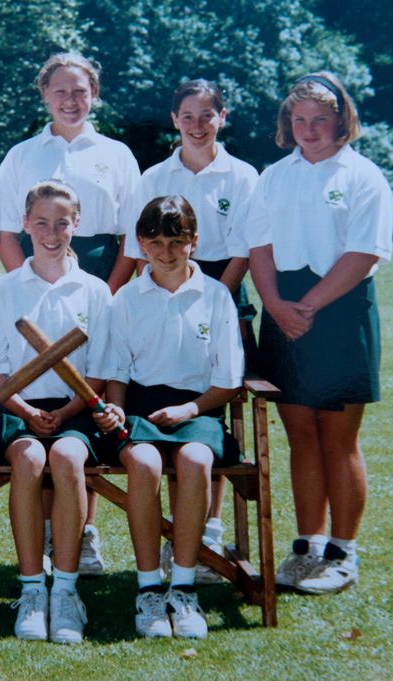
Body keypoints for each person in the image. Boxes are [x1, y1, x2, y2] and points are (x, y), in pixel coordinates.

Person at [245, 72, 393, 594]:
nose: (309, 130)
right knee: (301, 436)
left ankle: (343, 554)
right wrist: (274, 306)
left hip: (339, 311)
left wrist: (306, 306)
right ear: (288, 123)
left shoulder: (364, 176)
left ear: (341, 120)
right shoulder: (273, 176)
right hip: (283, 311)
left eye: (320, 120)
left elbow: (364, 253)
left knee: (338, 438)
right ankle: (307, 548)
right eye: (299, 120)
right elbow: (259, 247)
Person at [0, 51, 140, 574]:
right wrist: (30, 288)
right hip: (34, 275)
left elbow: (130, 239)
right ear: (44, 95)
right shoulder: (22, 155)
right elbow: (5, 233)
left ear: (94, 94)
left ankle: (83, 532)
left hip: (98, 275)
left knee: (82, 392)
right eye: (60, 90)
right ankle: (44, 535)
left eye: (80, 90)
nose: (70, 100)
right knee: (41, 398)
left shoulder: (117, 154)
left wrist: (103, 293)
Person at [121, 79, 259, 584]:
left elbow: (244, 248)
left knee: (209, 404)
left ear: (223, 117)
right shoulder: (154, 176)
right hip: (163, 281)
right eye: (188, 116)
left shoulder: (243, 175)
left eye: (207, 115)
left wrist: (208, 294)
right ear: (174, 120)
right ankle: (173, 544)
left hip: (220, 282)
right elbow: (143, 249)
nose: (197, 125)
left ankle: (208, 532)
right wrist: (164, 293)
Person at [95, 195, 244, 639]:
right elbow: (116, 370)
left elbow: (229, 379)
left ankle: (183, 587)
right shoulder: (126, 299)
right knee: (144, 464)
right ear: (140, 244)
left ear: (194, 242)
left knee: (196, 461)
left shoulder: (216, 296)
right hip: (140, 409)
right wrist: (116, 407)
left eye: (177, 241)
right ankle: (148, 589)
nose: (166, 252)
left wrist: (190, 409)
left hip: (198, 407)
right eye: (155, 242)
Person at [0, 180, 112, 644]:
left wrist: (71, 409)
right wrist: (24, 410)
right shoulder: (4, 290)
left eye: (62, 223)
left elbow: (99, 371)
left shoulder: (96, 291)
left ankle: (66, 592)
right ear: (24, 225)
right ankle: (33, 590)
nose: (51, 233)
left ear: (77, 224)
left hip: (76, 408)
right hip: (18, 407)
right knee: (30, 457)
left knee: (67, 456)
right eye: (41, 223)